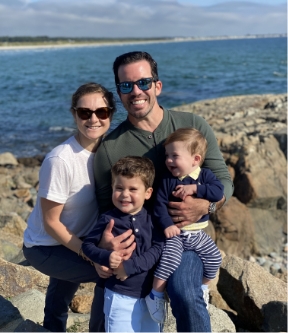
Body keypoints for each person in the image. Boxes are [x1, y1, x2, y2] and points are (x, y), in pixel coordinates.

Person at [93, 51, 234, 332]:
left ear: (157, 85)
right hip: (140, 243)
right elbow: (103, 208)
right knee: (102, 316)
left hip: (186, 238)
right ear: (118, 93)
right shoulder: (110, 147)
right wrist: (102, 248)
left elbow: (224, 181)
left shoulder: (193, 125)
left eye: (143, 82)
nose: (136, 91)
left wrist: (207, 206)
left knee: (184, 291)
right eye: (126, 86)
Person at [22, 82, 136, 332]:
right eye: (85, 112)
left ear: (111, 114)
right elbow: (51, 224)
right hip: (45, 246)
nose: (93, 119)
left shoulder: (107, 152)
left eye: (101, 112)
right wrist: (92, 255)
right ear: (74, 114)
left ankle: (52, 328)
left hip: (80, 237)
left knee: (60, 296)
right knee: (108, 272)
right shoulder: (60, 160)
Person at [145, 127, 224, 323]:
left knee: (215, 258)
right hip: (176, 235)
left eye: (174, 156)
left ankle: (204, 288)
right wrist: (167, 226)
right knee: (169, 262)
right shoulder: (167, 181)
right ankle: (155, 294)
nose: (169, 161)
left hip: (198, 235)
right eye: (167, 156)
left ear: (195, 160)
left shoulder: (204, 177)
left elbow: (217, 193)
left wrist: (196, 188)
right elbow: (159, 207)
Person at [82, 156, 164, 332]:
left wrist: (130, 266)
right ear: (112, 188)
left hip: (151, 296)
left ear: (148, 193)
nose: (125, 194)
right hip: (119, 295)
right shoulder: (107, 219)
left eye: (133, 189)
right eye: (119, 188)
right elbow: (87, 246)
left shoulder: (152, 219)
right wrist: (106, 256)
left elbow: (159, 248)